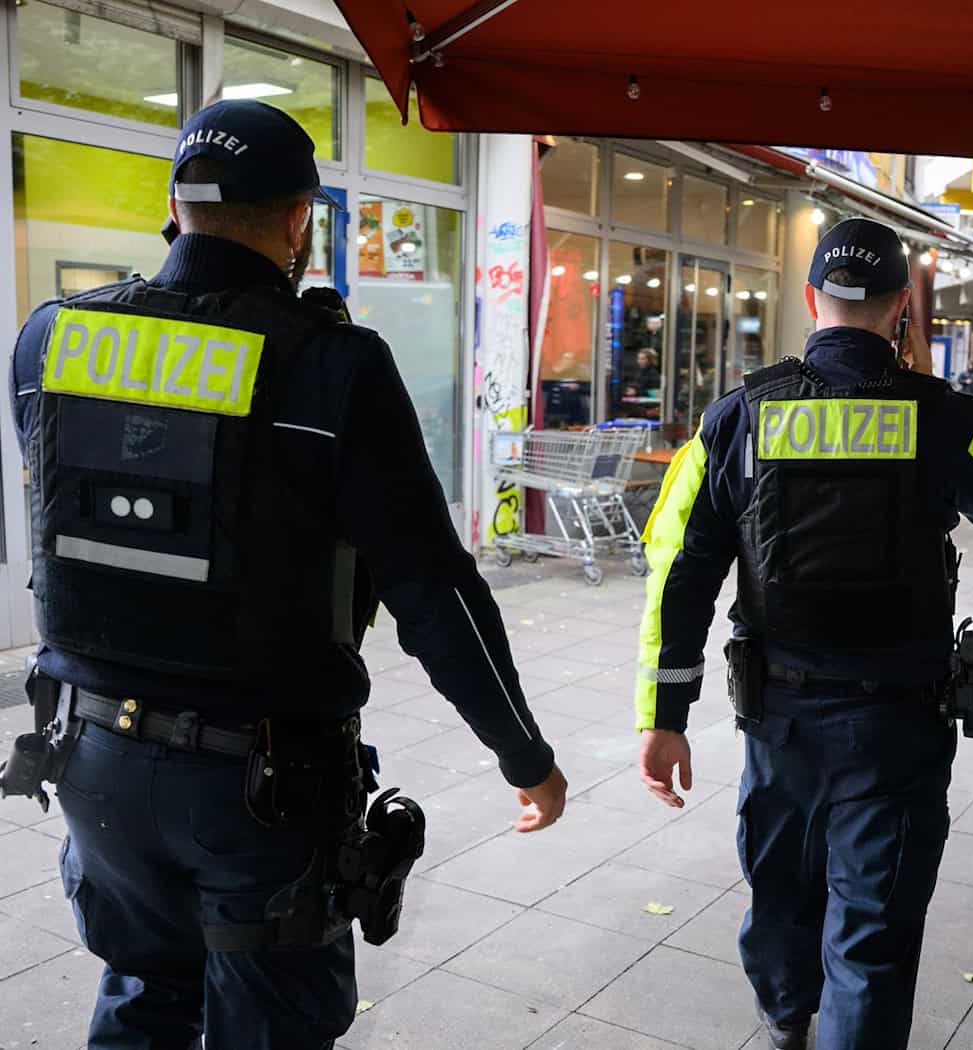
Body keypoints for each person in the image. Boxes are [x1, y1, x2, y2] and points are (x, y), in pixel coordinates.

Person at [6, 100, 568, 1050]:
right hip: (257, 787)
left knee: (144, 995)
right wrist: (524, 755)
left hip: (92, 759)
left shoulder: (50, 338)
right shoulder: (330, 367)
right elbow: (432, 589)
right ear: (301, 217)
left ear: (173, 207)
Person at [632, 217, 973, 1050]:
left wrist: (664, 715)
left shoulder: (736, 416)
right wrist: (939, 399)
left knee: (781, 891)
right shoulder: (943, 414)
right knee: (873, 927)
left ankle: (786, 1019)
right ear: (900, 307)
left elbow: (678, 571)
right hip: (898, 722)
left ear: (811, 297)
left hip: (780, 716)